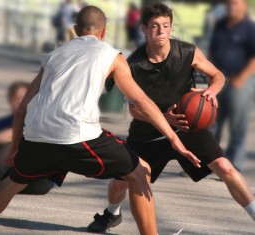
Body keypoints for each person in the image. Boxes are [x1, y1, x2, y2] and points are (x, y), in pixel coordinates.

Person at [0, 6, 200, 235]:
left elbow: (23, 106)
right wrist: (174, 138)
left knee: (13, 180)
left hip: (36, 135)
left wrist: (15, 146)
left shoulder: (54, 56)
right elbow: (140, 100)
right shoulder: (111, 54)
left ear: (75, 30)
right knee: (142, 171)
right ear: (104, 32)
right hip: (78, 136)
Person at [87, 3, 255, 233]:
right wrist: (163, 117)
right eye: (155, 26)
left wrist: (210, 92)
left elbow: (218, 75)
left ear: (171, 27)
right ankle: (111, 214)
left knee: (226, 168)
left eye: (166, 25)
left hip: (187, 127)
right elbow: (135, 110)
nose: (161, 31)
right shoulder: (132, 64)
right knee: (121, 180)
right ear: (144, 29)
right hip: (149, 134)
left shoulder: (188, 52)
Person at [0, 81, 53, 195]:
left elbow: (10, 134)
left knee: (9, 144)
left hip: (38, 181)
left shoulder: (36, 117)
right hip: (19, 176)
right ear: (10, 101)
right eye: (15, 98)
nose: (19, 101)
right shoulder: (13, 118)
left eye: (23, 97)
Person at [210, 0, 255, 171]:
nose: (232, 7)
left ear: (244, 6)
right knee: (211, 122)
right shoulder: (220, 25)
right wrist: (211, 74)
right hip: (219, 82)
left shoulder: (250, 28)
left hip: (240, 83)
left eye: (236, 4)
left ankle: (234, 164)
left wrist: (242, 78)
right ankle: (207, 163)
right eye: (229, 4)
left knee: (238, 124)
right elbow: (213, 52)